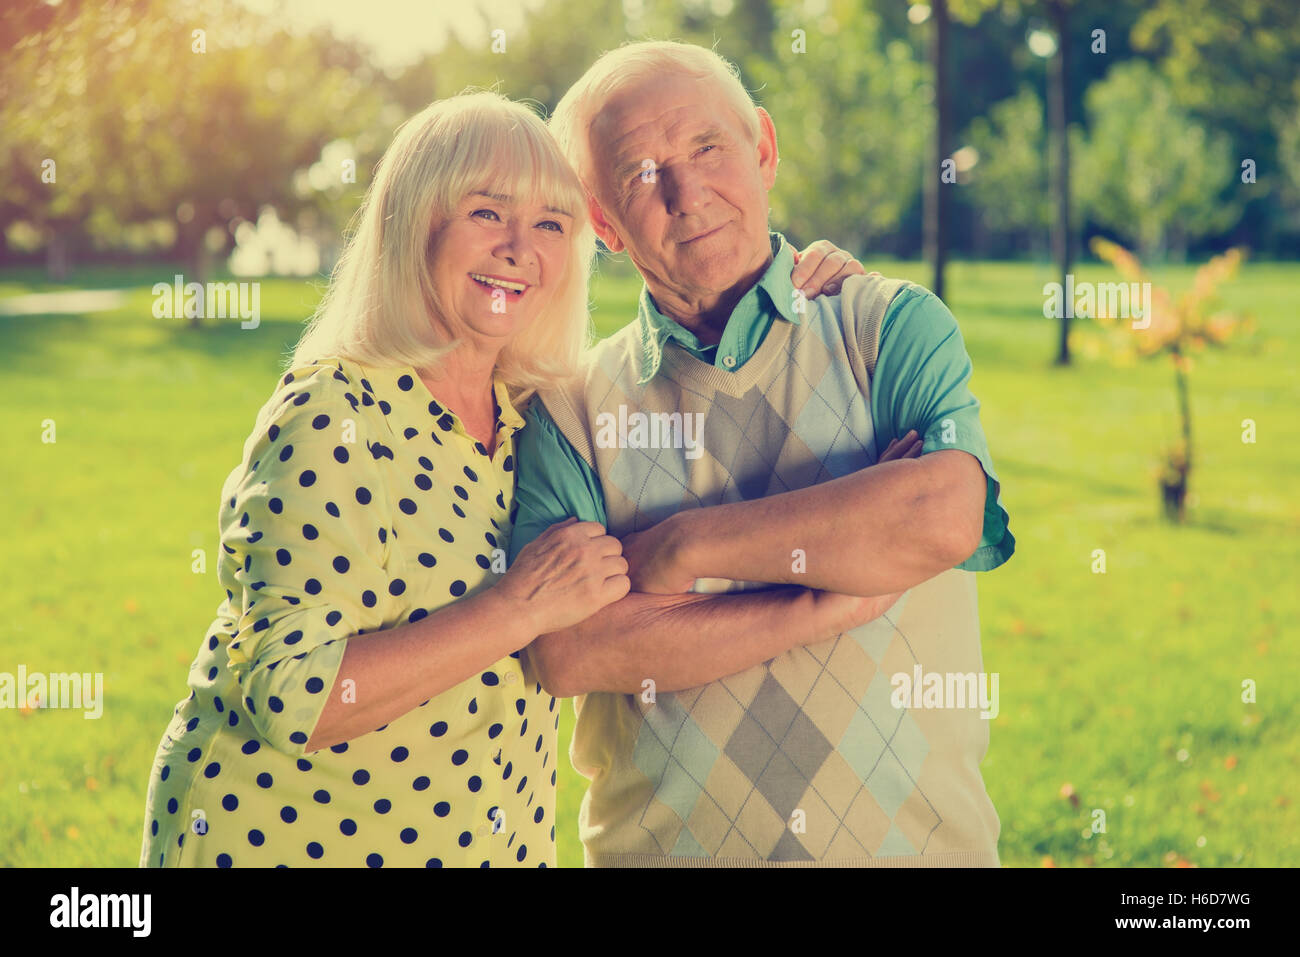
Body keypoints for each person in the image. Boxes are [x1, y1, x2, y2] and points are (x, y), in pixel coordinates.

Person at [138, 89, 869, 868]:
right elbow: (292, 696)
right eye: (488, 213)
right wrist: (516, 607)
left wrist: (807, 291)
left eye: (552, 224)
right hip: (288, 842)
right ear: (415, 222)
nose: (521, 248)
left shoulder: (532, 417)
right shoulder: (335, 410)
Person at [508, 40, 1016, 867]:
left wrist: (682, 548)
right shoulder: (566, 408)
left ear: (764, 150)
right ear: (600, 222)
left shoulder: (887, 327)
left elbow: (941, 514)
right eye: (640, 172)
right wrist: (821, 604)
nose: (686, 192)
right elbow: (571, 649)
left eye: (707, 148)